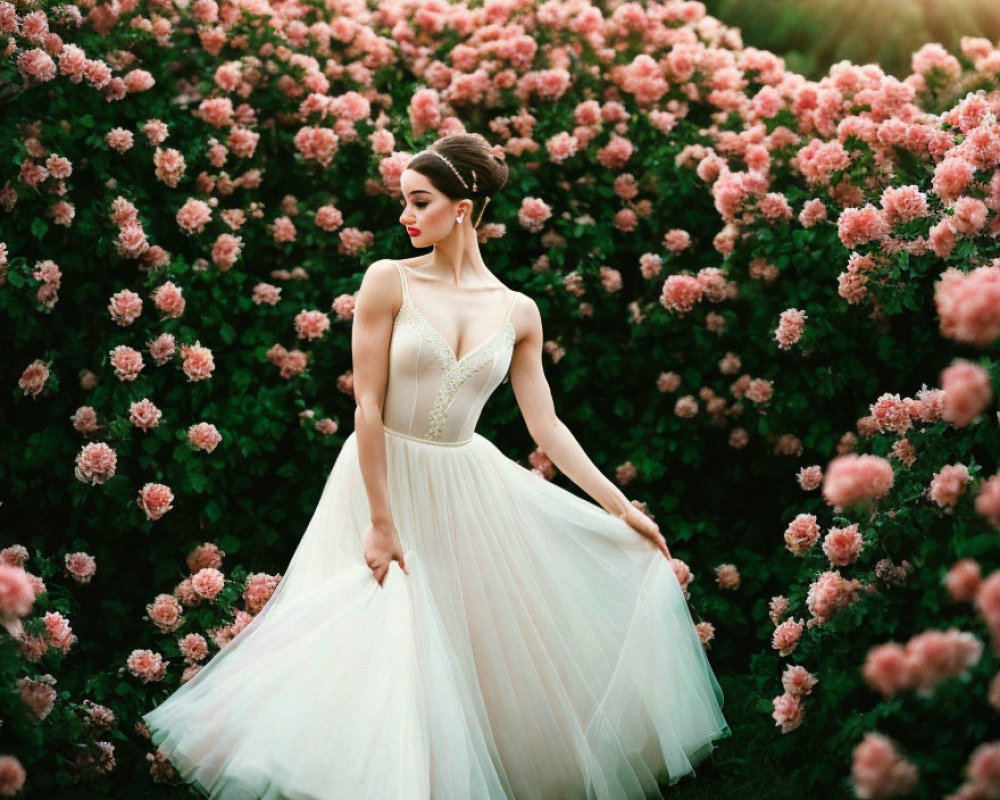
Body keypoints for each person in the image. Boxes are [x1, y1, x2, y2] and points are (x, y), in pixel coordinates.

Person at [142, 132, 731, 799]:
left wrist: (623, 509)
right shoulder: (388, 279)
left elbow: (548, 426)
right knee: (381, 642)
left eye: (419, 201)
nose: (405, 216)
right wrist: (381, 523)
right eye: (404, 202)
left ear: (465, 204)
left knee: (450, 650)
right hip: (379, 479)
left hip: (463, 486)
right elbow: (367, 406)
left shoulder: (517, 311)